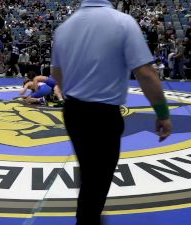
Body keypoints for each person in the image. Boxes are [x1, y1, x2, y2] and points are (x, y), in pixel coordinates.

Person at [50, 0, 172, 225]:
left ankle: (89, 215)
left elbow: (56, 72)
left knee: (90, 172)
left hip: (73, 112)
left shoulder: (63, 28)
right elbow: (145, 73)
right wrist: (162, 112)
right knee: (98, 179)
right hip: (103, 115)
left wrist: (75, 90)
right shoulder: (123, 22)